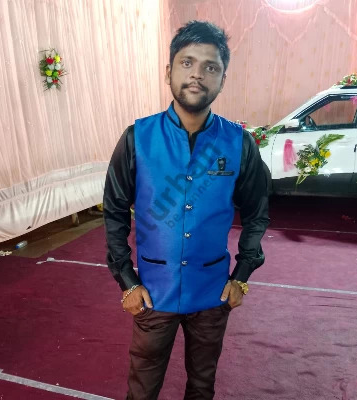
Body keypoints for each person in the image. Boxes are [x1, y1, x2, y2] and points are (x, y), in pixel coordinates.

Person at [103, 20, 270, 400]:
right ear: (169, 72)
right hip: (153, 293)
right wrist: (127, 281)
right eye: (187, 63)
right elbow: (114, 212)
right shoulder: (137, 138)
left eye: (210, 66)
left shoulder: (239, 143)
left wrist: (242, 275)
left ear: (223, 79)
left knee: (202, 385)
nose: (197, 74)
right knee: (142, 388)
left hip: (212, 292)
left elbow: (257, 212)